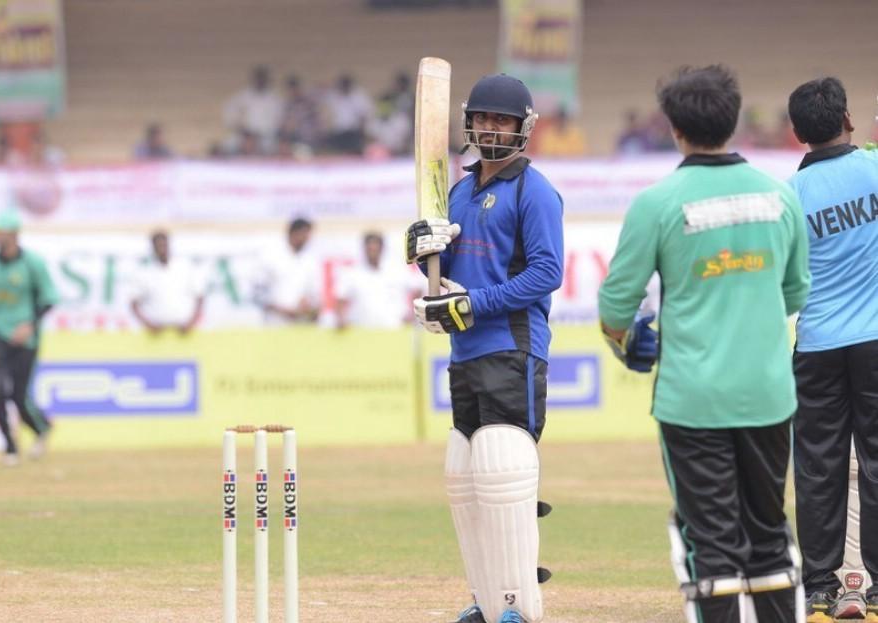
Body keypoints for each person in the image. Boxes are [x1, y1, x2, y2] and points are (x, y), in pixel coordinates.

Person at [598, 65, 811, 623]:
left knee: (710, 544)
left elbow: (616, 309)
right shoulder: (779, 198)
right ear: (734, 119)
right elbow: (794, 293)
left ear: (673, 127)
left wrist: (629, 344)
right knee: (768, 534)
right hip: (767, 394)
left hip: (692, 399)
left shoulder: (658, 202)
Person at [407, 73, 564, 623]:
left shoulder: (534, 191)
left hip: (512, 347)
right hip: (466, 353)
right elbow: (445, 272)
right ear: (469, 123)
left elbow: (547, 272)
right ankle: (486, 596)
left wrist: (472, 305)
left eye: (502, 120)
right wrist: (423, 255)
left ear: (523, 128)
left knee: (502, 470)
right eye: (483, 119)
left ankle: (519, 605)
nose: (490, 128)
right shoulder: (458, 190)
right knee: (466, 477)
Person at [785, 76, 878, 623]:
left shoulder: (789, 195)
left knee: (818, 468)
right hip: (876, 339)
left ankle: (820, 586)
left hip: (817, 342)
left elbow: (786, 282)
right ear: (847, 119)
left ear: (798, 133)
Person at [0, 209, 58, 467]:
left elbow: (49, 299)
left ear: (13, 234)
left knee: (19, 396)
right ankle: (10, 447)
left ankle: (42, 427)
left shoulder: (33, 263)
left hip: (25, 339)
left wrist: (30, 325)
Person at [334, 232, 421, 329]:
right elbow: (341, 299)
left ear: (382, 248)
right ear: (365, 249)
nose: (373, 250)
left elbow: (417, 290)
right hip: (362, 330)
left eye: (375, 247)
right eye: (370, 248)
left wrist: (412, 314)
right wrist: (341, 320)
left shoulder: (396, 271)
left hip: (393, 329)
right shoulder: (353, 273)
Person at [129, 230, 204, 334]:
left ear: (168, 245)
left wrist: (191, 323)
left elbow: (199, 297)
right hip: (156, 335)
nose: (161, 248)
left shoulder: (185, 268)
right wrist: (148, 324)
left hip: (184, 333)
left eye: (163, 244)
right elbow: (133, 303)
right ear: (153, 248)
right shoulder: (145, 272)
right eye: (158, 245)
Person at [254, 218, 321, 325]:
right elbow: (258, 293)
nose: (307, 239)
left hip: (302, 324)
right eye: (304, 234)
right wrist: (281, 309)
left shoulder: (310, 260)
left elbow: (314, 293)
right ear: (293, 233)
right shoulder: (271, 256)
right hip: (275, 323)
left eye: (309, 235)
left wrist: (309, 305)